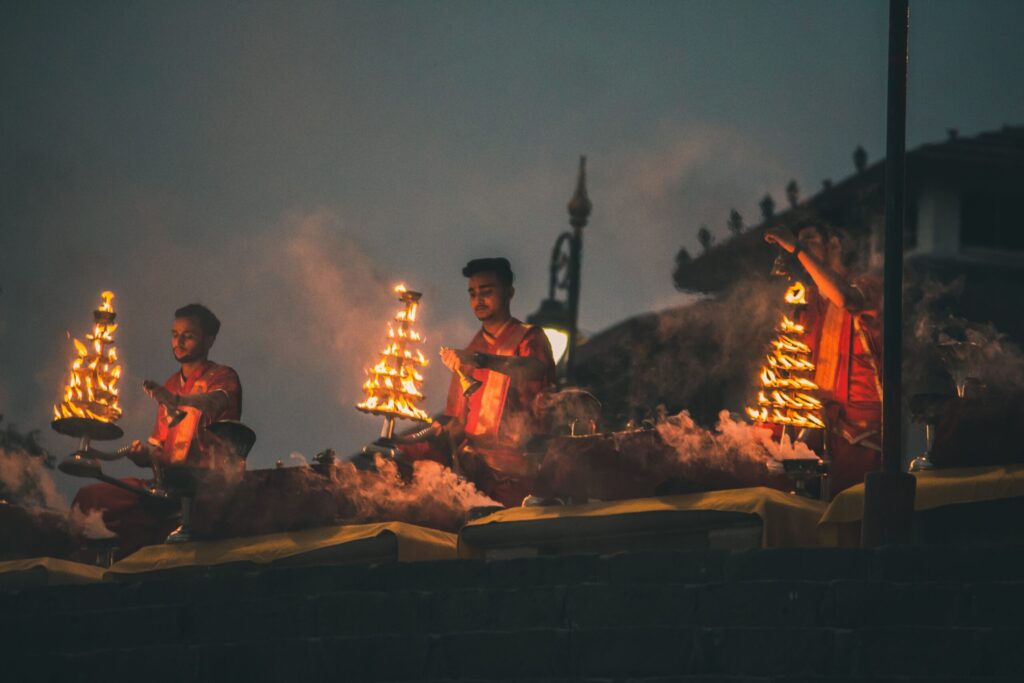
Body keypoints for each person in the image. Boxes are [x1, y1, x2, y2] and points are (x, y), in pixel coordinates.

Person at [71, 303, 242, 552]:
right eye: (175, 335)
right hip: (164, 487)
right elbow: (158, 449)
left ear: (209, 340)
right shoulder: (170, 384)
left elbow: (215, 401)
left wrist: (176, 401)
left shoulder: (223, 377)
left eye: (188, 336)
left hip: (205, 487)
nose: (178, 342)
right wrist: (142, 454)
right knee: (89, 499)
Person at [401, 258, 556, 507]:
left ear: (509, 293)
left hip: (522, 478)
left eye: (487, 292)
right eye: (472, 294)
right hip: (475, 479)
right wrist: (420, 438)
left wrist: (481, 360)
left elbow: (535, 370)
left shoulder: (529, 337)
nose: (478, 300)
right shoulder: (469, 352)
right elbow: (457, 423)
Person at [765, 223, 883, 496]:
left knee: (853, 510)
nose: (801, 249)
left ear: (835, 245)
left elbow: (844, 297)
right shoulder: (807, 299)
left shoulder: (867, 286)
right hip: (815, 426)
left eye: (810, 240)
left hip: (860, 432)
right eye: (801, 242)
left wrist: (796, 248)